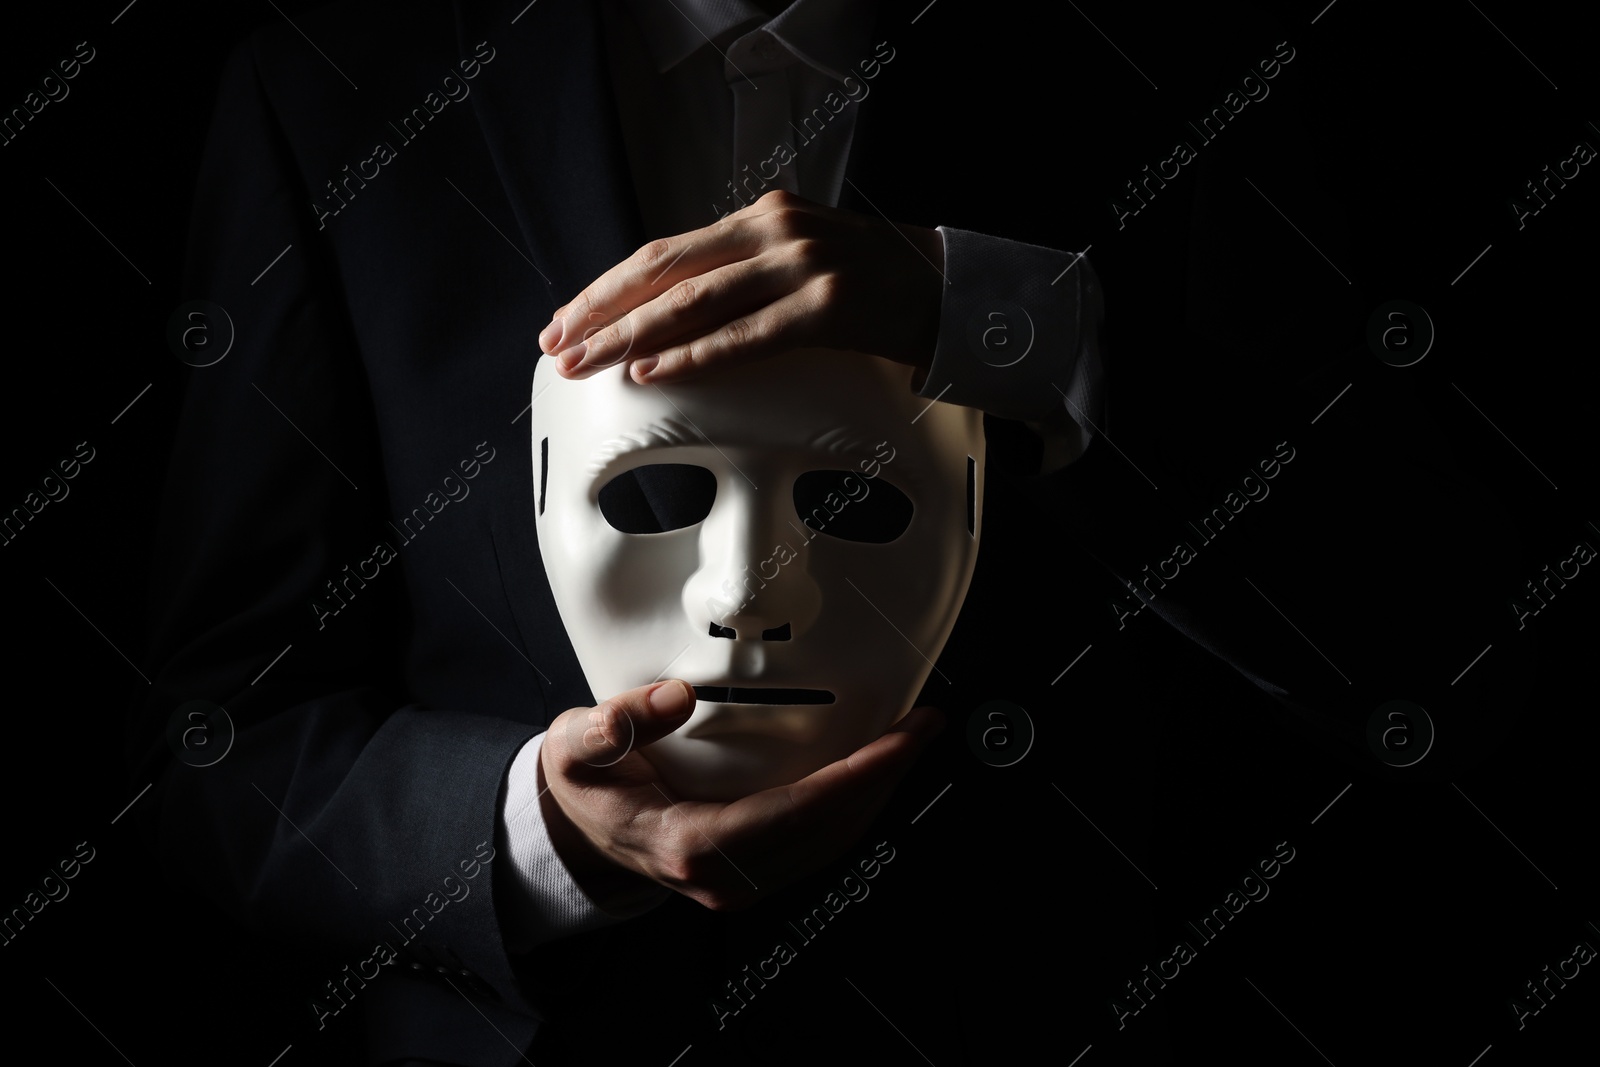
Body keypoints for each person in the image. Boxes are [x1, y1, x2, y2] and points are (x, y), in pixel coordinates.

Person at [136, 1, 1523, 1063]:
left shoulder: (1170, 54)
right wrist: (536, 833)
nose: (746, 597)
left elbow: (1420, 642)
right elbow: (220, 744)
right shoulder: (339, 77)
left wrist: (1030, 330)